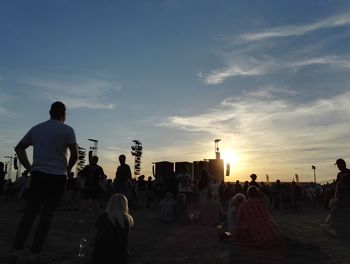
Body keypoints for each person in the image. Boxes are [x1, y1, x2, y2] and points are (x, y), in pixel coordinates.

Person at [10, 101, 78, 264]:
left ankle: (17, 251)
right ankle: (34, 253)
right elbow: (75, 154)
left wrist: (30, 167)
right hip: (57, 176)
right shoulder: (67, 130)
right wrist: (67, 170)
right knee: (46, 217)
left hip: (39, 174)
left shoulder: (37, 128)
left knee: (29, 214)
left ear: (50, 112)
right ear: (64, 114)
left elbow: (19, 148)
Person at [91, 193, 134, 264]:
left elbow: (94, 234)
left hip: (101, 252)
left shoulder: (103, 217)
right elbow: (126, 238)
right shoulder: (127, 219)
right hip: (120, 253)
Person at [321, 158, 350, 237]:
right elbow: (337, 186)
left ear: (342, 164)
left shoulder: (349, 173)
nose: (338, 167)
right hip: (340, 197)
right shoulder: (339, 174)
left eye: (338, 165)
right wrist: (335, 196)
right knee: (336, 210)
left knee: (339, 211)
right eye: (337, 165)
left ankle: (337, 228)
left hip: (346, 197)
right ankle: (333, 225)